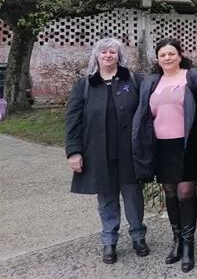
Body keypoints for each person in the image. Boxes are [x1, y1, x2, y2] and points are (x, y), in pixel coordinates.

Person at [132, 38, 197, 273]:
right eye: (162, 55)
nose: (167, 58)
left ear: (180, 55)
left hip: (188, 144)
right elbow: (143, 114)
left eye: (171, 54)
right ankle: (177, 240)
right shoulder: (151, 82)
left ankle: (189, 245)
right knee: (170, 192)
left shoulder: (193, 78)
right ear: (158, 59)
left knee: (185, 191)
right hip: (161, 146)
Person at [65, 37, 148, 265]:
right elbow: (73, 121)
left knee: (133, 196)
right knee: (106, 198)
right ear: (97, 56)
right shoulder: (85, 85)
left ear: (118, 56)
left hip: (128, 152)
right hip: (98, 153)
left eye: (112, 52)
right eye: (104, 52)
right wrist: (74, 151)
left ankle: (138, 236)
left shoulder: (133, 80)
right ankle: (109, 241)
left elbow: (147, 114)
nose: (108, 55)